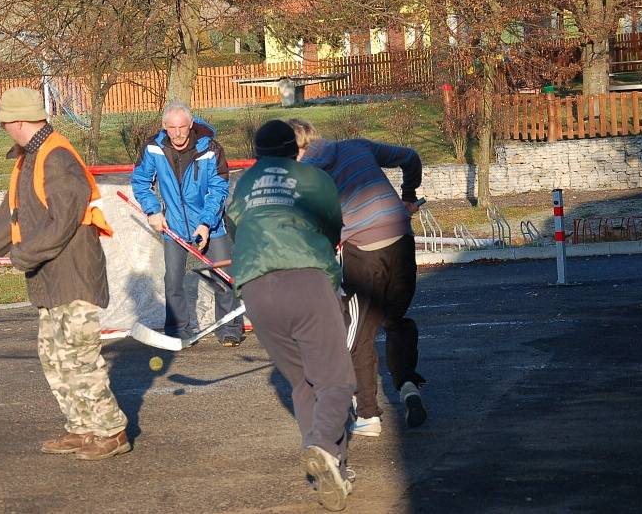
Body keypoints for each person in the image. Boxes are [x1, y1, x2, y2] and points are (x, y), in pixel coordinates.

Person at [0, 87, 129, 460]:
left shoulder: (57, 157)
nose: (4, 129)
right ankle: (81, 428)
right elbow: (11, 217)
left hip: (74, 274)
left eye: (5, 123)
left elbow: (63, 221)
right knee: (54, 356)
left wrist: (23, 255)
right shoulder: (27, 159)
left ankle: (111, 431)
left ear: (17, 122)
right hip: (49, 276)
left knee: (79, 356)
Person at [227, 120, 357, 512]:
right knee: (336, 380)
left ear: (258, 152)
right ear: (294, 147)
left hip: (254, 287)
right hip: (305, 278)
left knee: (302, 383)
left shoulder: (244, 183)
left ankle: (333, 471)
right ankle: (320, 446)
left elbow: (236, 225)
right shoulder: (313, 177)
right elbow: (333, 224)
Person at [290, 118, 427, 437]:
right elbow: (411, 157)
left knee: (356, 331)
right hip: (402, 240)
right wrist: (408, 195)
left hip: (364, 250)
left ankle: (367, 413)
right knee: (395, 318)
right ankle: (408, 384)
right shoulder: (355, 146)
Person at [130, 101, 243, 346]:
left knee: (223, 277)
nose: (178, 133)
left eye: (182, 127)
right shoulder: (153, 148)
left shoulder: (211, 149)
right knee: (172, 281)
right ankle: (178, 330)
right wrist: (153, 210)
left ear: (191, 125)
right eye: (172, 128)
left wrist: (205, 223)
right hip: (173, 227)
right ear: (164, 127)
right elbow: (140, 181)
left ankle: (229, 328)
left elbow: (218, 189)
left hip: (211, 225)